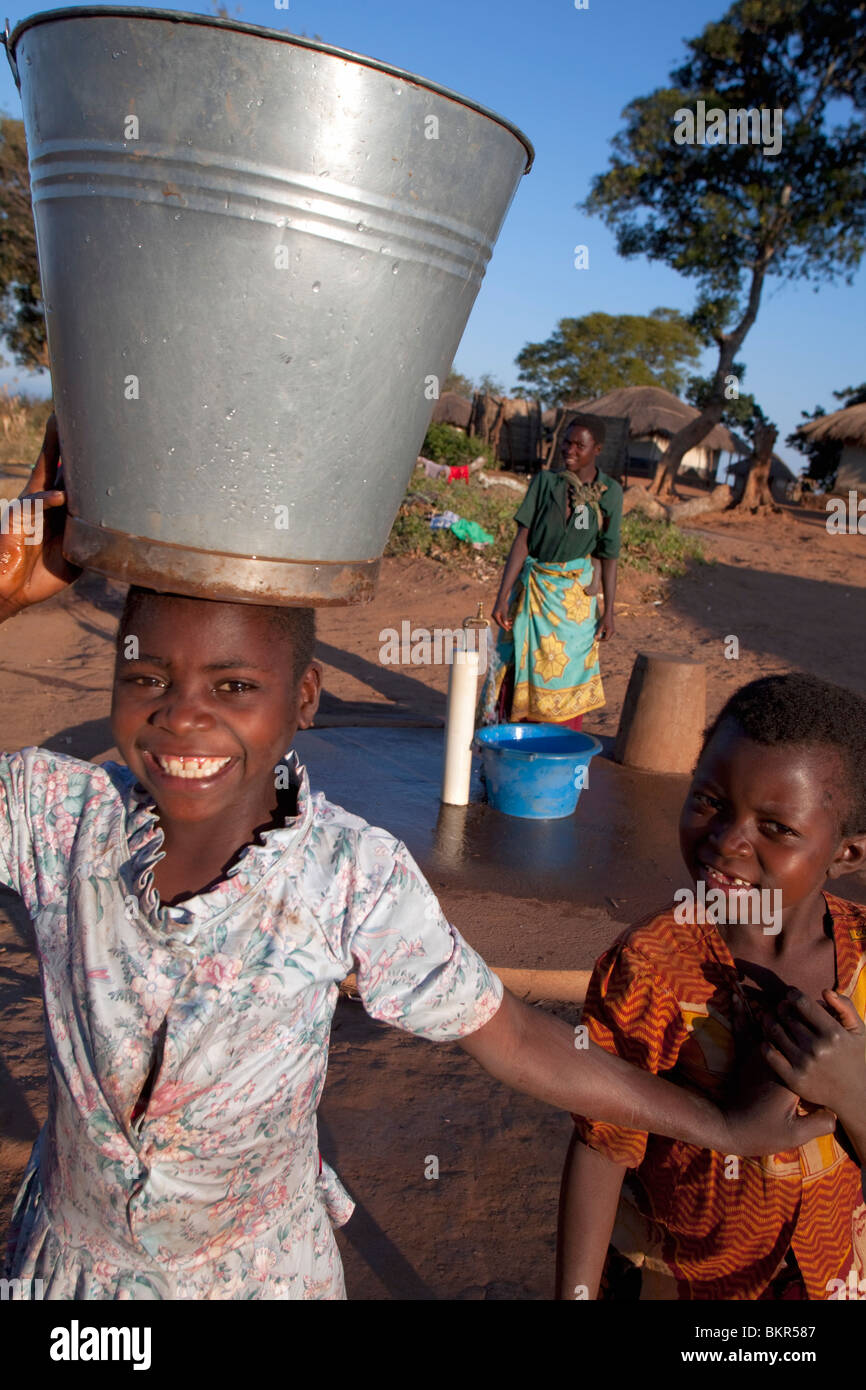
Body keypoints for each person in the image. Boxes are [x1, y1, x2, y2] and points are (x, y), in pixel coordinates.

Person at [1, 421, 829, 1300]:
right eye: (147, 678)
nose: (182, 716)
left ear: (304, 700)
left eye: (235, 686)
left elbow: (510, 1034)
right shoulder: (60, 821)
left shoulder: (349, 876)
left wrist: (721, 1129)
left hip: (254, 1277)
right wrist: (11, 586)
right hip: (73, 1278)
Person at [557, 674, 866, 1301]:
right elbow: (601, 1145)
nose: (726, 842)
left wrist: (854, 1094)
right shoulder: (649, 967)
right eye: (709, 801)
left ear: (848, 853)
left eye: (776, 828)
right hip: (679, 1278)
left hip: (830, 1273)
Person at [479, 413, 621, 732]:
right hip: (532, 590)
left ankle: (555, 754)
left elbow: (608, 555)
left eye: (578, 445)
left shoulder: (609, 492)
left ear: (596, 449)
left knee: (567, 675)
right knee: (515, 669)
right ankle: (509, 749)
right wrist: (502, 597)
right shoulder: (545, 482)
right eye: (566, 442)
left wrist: (609, 611)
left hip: (574, 603)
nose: (569, 450)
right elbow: (523, 541)